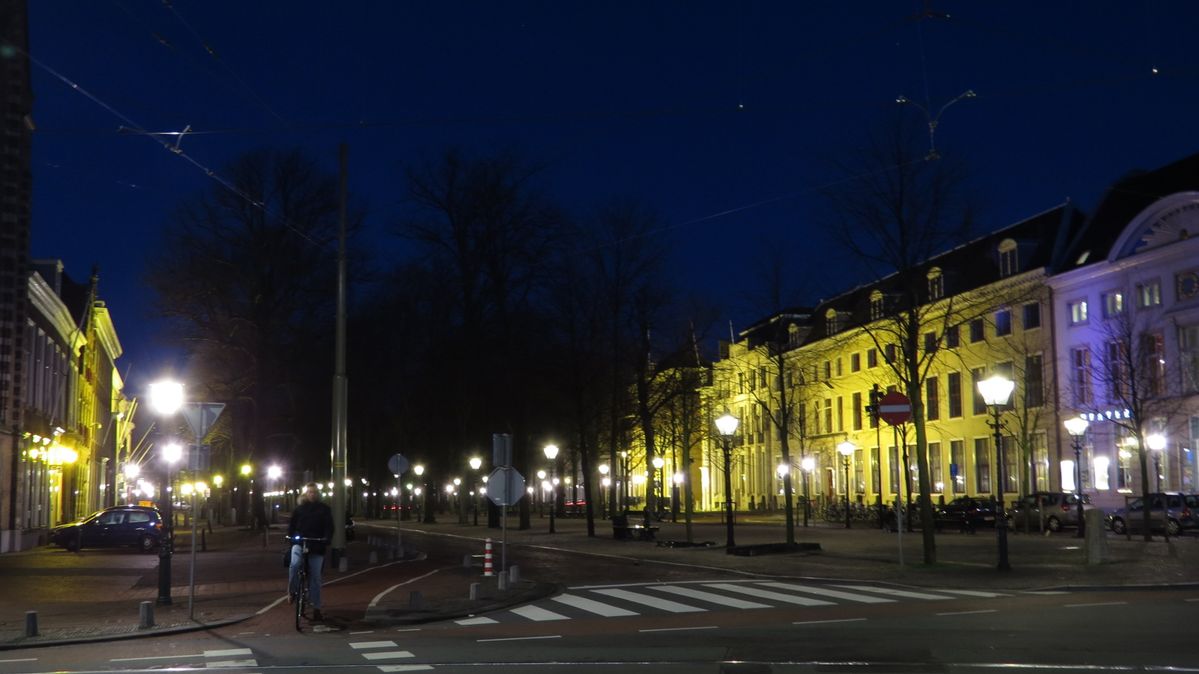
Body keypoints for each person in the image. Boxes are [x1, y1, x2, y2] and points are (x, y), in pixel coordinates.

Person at [287, 482, 333, 621]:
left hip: (317, 545)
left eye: (314, 492)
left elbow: (329, 526)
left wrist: (327, 538)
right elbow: (292, 526)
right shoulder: (299, 509)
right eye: (309, 492)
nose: (312, 494)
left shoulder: (324, 509)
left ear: (318, 494)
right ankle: (292, 590)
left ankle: (316, 607)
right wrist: (291, 537)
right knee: (294, 564)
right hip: (300, 542)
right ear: (305, 494)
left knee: (316, 577)